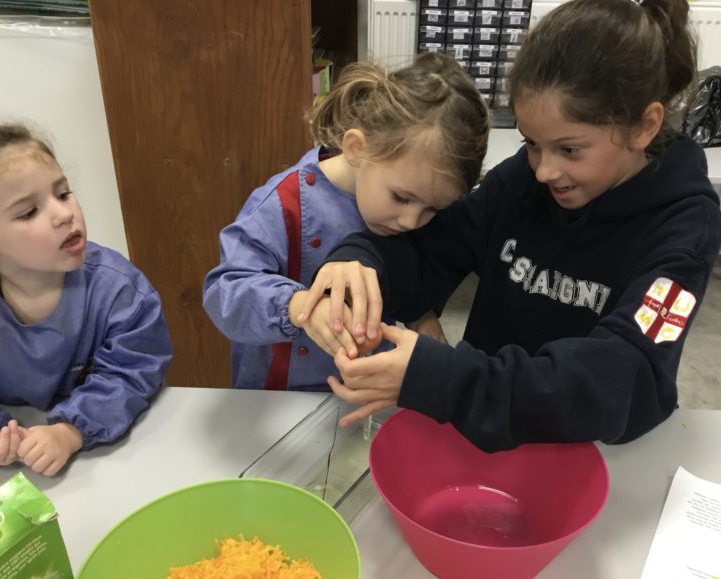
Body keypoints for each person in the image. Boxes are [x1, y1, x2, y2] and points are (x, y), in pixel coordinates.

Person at [298, 0, 721, 450]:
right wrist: (363, 261)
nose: (544, 170)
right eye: (531, 143)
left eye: (570, 150)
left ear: (644, 127)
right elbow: (436, 245)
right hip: (488, 431)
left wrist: (448, 380)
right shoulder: (524, 179)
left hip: (592, 449)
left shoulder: (686, 226)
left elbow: (626, 376)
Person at [203, 52, 489, 391]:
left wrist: (419, 312)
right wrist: (297, 305)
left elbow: (411, 271)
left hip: (363, 392)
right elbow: (223, 292)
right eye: (401, 198)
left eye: (433, 209)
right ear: (356, 148)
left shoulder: (407, 205)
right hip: (279, 398)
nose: (412, 221)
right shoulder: (283, 204)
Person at [0, 97, 173, 475]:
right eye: (29, 211)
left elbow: (130, 374)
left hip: (115, 453)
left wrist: (69, 430)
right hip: (18, 469)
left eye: (63, 193)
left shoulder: (120, 291)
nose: (64, 214)